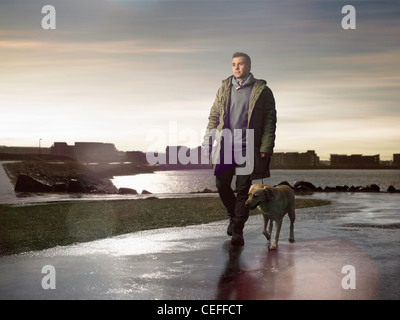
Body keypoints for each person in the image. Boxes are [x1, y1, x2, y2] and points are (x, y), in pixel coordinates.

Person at [202, 52, 277, 246]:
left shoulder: (262, 91)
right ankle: (233, 216)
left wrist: (266, 146)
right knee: (221, 184)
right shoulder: (224, 88)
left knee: (244, 190)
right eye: (234, 64)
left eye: (241, 64)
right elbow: (214, 117)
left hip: (249, 146)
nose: (237, 67)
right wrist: (208, 142)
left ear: (249, 66)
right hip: (226, 145)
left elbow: (270, 120)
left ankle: (237, 230)